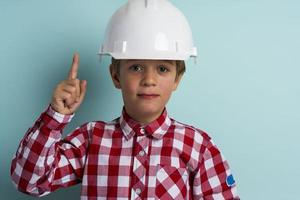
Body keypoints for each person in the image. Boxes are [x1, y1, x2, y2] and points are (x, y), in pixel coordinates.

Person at [10, 0, 240, 199]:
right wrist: (56, 116)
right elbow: (29, 181)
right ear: (115, 76)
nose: (149, 80)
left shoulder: (198, 147)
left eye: (162, 68)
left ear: (177, 79)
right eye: (136, 67)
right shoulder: (92, 139)